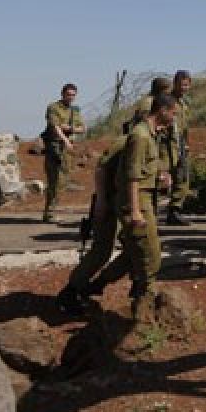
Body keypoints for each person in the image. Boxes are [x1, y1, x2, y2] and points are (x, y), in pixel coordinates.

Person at [115, 94, 176, 316]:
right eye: (173, 113)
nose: (174, 118)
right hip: (138, 200)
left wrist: (160, 175)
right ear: (162, 110)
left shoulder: (152, 135)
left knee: (140, 254)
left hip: (147, 198)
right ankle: (145, 304)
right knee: (151, 255)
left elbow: (144, 168)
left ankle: (136, 297)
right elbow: (132, 176)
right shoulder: (140, 136)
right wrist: (135, 212)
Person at [56, 134, 129, 314]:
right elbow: (101, 169)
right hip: (111, 202)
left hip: (130, 204)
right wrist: (102, 202)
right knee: (101, 251)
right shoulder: (126, 141)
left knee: (135, 252)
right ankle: (73, 291)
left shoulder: (158, 141)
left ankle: (97, 284)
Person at [41, 83, 85, 223]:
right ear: (62, 94)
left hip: (67, 150)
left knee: (62, 181)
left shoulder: (75, 110)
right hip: (55, 147)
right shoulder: (54, 107)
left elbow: (82, 128)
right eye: (68, 94)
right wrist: (65, 138)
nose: (70, 97)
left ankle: (51, 211)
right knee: (54, 180)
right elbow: (55, 127)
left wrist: (69, 128)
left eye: (73, 95)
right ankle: (49, 213)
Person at [164, 70, 194, 226]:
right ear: (175, 83)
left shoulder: (184, 103)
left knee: (182, 176)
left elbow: (185, 127)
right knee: (163, 177)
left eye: (187, 85)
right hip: (167, 143)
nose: (184, 87)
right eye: (182, 84)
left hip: (180, 142)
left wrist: (186, 143)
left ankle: (175, 209)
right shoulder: (168, 101)